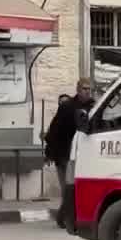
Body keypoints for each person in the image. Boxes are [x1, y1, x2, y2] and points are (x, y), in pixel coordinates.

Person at [44, 78, 94, 228]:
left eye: (89, 89)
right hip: (65, 154)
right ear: (78, 89)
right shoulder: (67, 107)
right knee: (68, 188)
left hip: (85, 155)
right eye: (84, 88)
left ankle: (67, 217)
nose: (87, 92)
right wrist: (50, 153)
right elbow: (54, 130)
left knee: (79, 188)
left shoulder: (93, 107)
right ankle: (64, 218)